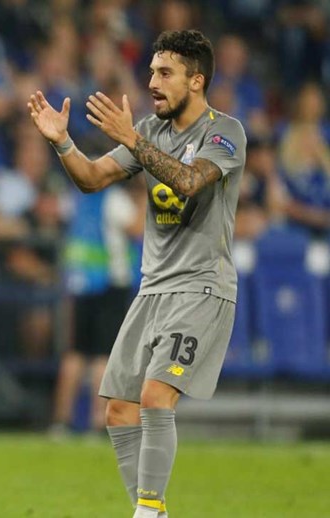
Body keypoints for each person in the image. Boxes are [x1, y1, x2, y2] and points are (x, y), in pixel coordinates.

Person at [29, 29, 246, 518]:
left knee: (154, 395)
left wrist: (131, 138)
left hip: (201, 286)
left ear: (196, 80)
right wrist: (62, 143)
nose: (152, 82)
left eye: (165, 73)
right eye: (151, 71)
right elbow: (91, 179)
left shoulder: (224, 132)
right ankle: (152, 512)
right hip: (152, 288)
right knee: (119, 408)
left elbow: (189, 181)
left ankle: (146, 511)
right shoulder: (150, 129)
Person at [49, 178, 143, 438]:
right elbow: (137, 229)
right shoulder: (115, 199)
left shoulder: (76, 197)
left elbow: (56, 215)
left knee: (75, 353)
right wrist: (144, 200)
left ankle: (60, 421)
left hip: (79, 283)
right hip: (111, 284)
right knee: (104, 354)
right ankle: (97, 421)